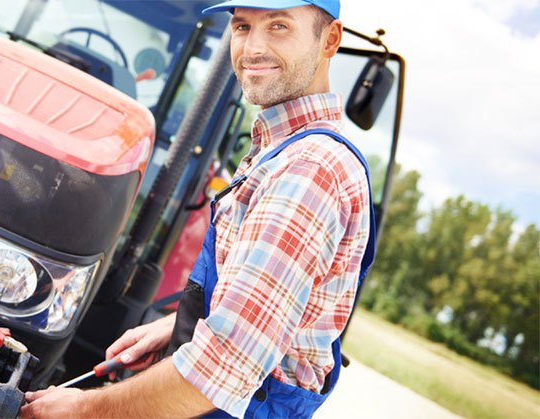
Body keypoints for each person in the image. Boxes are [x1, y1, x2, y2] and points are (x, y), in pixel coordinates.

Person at [21, 0, 376, 417]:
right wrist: (181, 326)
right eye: (242, 27)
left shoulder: (307, 170)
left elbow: (222, 369)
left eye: (278, 26)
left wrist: (82, 410)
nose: (253, 48)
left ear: (330, 39)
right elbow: (268, 314)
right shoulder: (278, 152)